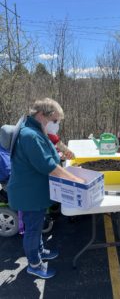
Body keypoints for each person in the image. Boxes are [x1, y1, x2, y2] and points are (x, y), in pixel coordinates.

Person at [7, 98, 85, 279]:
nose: (56, 125)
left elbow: (50, 154)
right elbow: (48, 165)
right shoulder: (30, 135)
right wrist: (76, 180)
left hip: (35, 191)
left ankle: (40, 250)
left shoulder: (35, 129)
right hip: (29, 193)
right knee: (32, 230)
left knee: (37, 225)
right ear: (42, 115)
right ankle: (34, 264)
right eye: (55, 121)